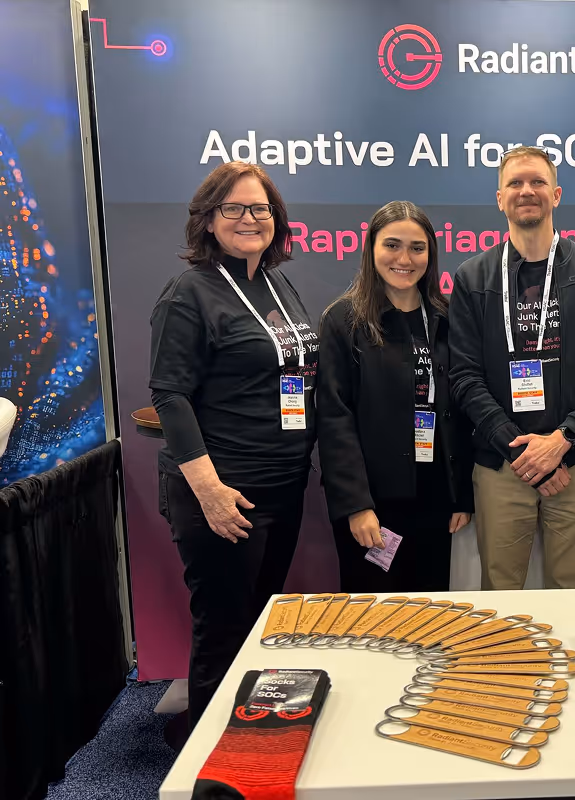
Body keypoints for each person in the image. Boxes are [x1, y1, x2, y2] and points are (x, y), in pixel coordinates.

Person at [149, 161, 319, 727]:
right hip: (224, 492)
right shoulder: (188, 292)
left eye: (261, 208)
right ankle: (208, 769)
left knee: (256, 625)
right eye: (234, 208)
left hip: (281, 485)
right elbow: (170, 395)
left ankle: (248, 744)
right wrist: (209, 491)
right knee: (223, 630)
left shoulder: (274, 282)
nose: (250, 218)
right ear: (208, 219)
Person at [449, 145, 575, 590]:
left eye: (537, 182)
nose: (526, 191)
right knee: (501, 592)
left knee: (569, 590)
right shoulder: (473, 278)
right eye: (515, 183)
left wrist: (562, 442)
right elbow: (465, 378)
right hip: (502, 464)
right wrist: (521, 450)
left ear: (557, 194)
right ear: (499, 198)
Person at [317, 201, 474, 592]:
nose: (404, 258)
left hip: (435, 497)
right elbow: (335, 419)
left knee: (429, 617)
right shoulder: (343, 321)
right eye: (392, 245)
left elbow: (460, 410)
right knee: (373, 623)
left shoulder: (446, 317)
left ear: (431, 254)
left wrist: (461, 496)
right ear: (371, 249)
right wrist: (356, 505)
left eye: (417, 248)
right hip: (374, 504)